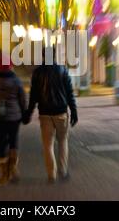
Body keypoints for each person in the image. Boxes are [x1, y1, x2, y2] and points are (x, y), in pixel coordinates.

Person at [23, 47, 78, 183]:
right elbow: (69, 93)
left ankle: (51, 174)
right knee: (63, 141)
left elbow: (33, 96)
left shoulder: (37, 73)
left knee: (48, 145)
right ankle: (63, 171)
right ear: (54, 55)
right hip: (61, 112)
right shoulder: (62, 70)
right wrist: (74, 111)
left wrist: (28, 113)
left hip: (45, 113)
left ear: (42, 56)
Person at [0, 57, 26, 186]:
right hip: (14, 117)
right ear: (11, 66)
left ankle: (4, 174)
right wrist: (24, 114)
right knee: (13, 141)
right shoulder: (16, 80)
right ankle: (13, 169)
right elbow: (22, 99)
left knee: (1, 143)